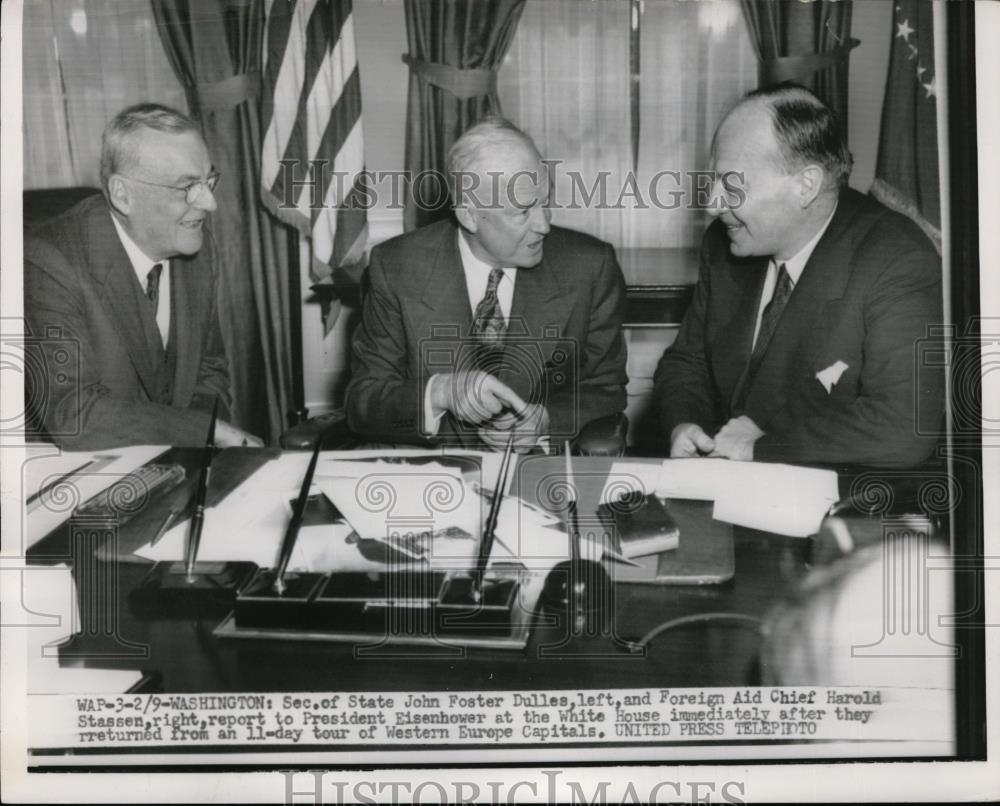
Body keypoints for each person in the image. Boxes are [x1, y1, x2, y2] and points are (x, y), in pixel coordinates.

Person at [653, 84, 944, 468]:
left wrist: (761, 447)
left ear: (806, 185)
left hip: (842, 496)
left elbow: (902, 429)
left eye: (732, 184)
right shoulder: (725, 243)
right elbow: (687, 363)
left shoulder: (896, 258)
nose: (712, 204)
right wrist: (685, 423)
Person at [345, 117, 628, 453]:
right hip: (433, 470)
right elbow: (363, 402)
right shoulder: (396, 267)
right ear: (469, 215)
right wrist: (441, 392)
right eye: (522, 212)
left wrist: (547, 419)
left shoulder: (589, 266)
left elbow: (606, 386)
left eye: (545, 201)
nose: (544, 225)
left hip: (535, 469)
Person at [24, 103, 262, 449]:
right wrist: (203, 432)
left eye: (208, 180)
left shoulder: (197, 248)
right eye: (187, 187)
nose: (209, 203)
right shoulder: (48, 262)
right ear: (123, 195)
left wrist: (197, 456)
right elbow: (74, 414)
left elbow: (209, 371)